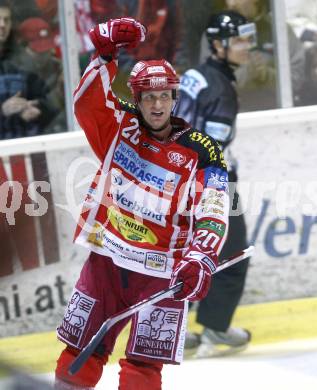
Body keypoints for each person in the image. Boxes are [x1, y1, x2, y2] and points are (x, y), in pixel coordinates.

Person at [54, 17, 229, 390]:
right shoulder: (119, 126)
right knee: (77, 351)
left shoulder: (201, 149)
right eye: (148, 96)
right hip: (106, 261)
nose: (157, 104)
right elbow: (87, 104)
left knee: (143, 370)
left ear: (174, 97)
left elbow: (214, 207)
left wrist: (200, 256)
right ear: (136, 98)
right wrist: (103, 56)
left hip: (162, 273)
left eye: (164, 95)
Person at [174, 10, 254, 358]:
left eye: (248, 38)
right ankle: (216, 328)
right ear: (219, 45)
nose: (247, 46)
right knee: (233, 253)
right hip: (210, 185)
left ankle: (171, 331)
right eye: (239, 40)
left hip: (175, 178)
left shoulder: (196, 74)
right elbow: (212, 151)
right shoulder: (223, 89)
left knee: (184, 255)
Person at [0, 0, 56, 139]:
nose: (2, 25)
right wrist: (2, 111)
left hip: (26, 145)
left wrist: (35, 108)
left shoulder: (19, 63)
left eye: (6, 20)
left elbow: (47, 100)